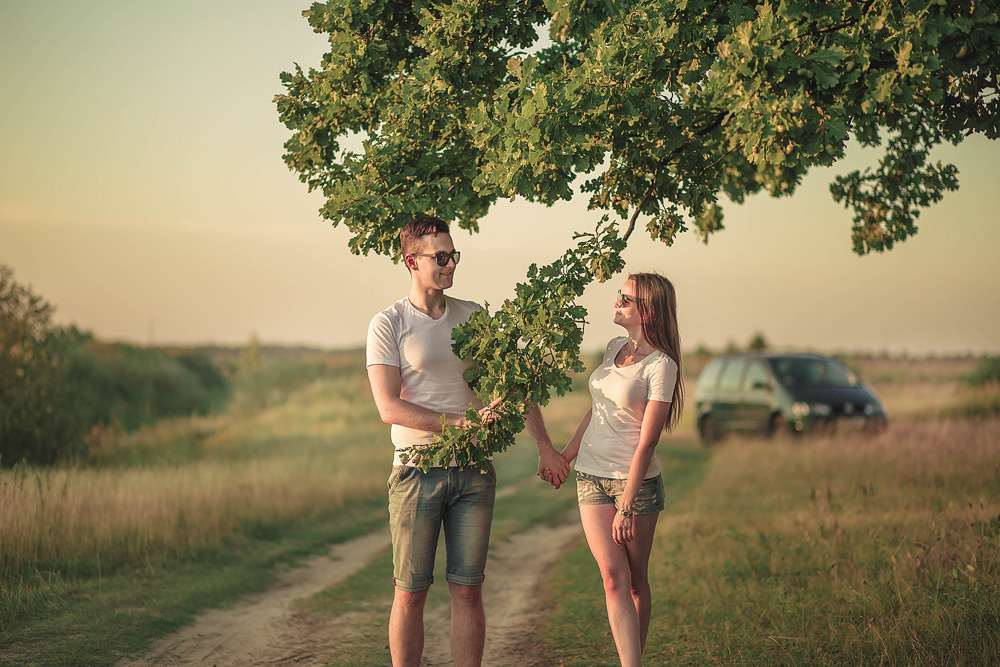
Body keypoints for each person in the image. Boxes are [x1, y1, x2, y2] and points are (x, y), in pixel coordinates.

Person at [366, 216, 570, 667]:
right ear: (411, 261)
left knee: (469, 590)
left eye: (453, 254)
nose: (450, 263)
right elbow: (389, 407)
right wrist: (457, 422)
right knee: (410, 593)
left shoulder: (474, 316)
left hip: (474, 471)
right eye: (440, 256)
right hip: (417, 470)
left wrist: (545, 446)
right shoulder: (389, 324)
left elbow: (512, 383)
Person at [545, 272, 684, 667]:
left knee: (636, 581)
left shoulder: (662, 366)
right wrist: (567, 455)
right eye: (618, 294)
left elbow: (648, 441)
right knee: (612, 578)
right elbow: (599, 408)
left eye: (626, 298)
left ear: (649, 310)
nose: (617, 302)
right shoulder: (613, 348)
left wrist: (625, 504)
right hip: (590, 476)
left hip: (635, 486)